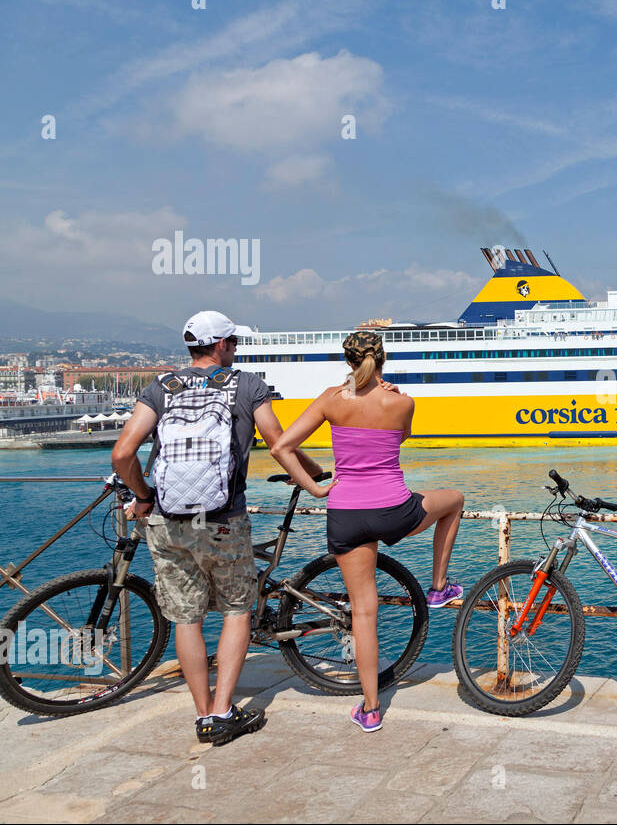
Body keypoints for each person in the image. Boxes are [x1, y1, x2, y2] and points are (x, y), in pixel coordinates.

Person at [111, 311, 325, 746]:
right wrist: (314, 478)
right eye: (234, 342)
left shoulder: (160, 386)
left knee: (187, 619)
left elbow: (121, 453)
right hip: (224, 519)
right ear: (223, 345)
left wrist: (144, 495)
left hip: (169, 523)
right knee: (235, 610)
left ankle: (203, 716)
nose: (236, 349)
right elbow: (278, 441)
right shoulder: (248, 385)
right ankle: (225, 712)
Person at [270, 330, 464, 732]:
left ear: (347, 360)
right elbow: (402, 435)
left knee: (363, 612)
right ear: (383, 359)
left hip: (345, 514)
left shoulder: (329, 399)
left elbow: (281, 448)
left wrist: (316, 488)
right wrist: (386, 393)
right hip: (395, 510)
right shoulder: (402, 401)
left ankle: (371, 708)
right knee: (456, 500)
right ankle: (439, 586)